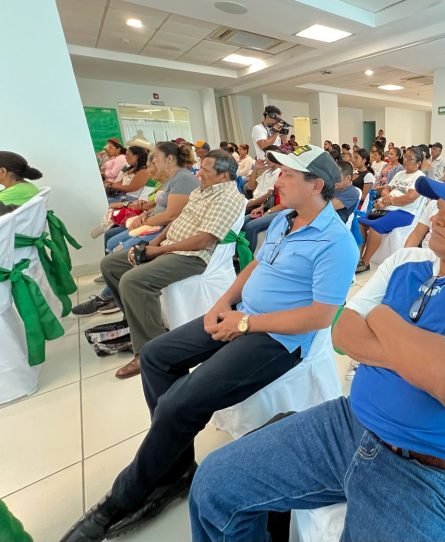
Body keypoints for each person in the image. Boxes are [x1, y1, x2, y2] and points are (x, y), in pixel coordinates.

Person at [188, 163, 445, 542]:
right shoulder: (406, 261)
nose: (437, 219)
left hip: (427, 470)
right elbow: (342, 333)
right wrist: (424, 363)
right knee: (214, 484)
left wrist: (383, 318)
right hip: (348, 424)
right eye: (439, 207)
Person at [61, 145, 357, 542]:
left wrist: (247, 323)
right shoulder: (287, 219)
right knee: (156, 356)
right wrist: (223, 303)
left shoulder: (337, 243)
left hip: (277, 338)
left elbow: (322, 315)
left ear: (316, 184)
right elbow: (255, 265)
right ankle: (176, 469)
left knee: (179, 403)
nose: (277, 179)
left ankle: (125, 496)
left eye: (287, 174)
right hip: (242, 314)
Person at [97, 149, 245, 380]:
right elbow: (178, 221)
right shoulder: (201, 191)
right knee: (111, 265)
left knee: (134, 281)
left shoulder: (228, 197)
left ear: (224, 176)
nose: (199, 174)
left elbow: (204, 240)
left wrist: (158, 250)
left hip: (193, 256)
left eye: (205, 171)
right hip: (171, 245)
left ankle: (149, 350)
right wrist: (151, 245)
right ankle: (138, 323)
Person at [72, 143, 200, 317]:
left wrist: (144, 221)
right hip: (155, 224)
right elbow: (158, 205)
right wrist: (144, 215)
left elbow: (172, 215)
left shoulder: (183, 179)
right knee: (110, 238)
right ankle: (112, 288)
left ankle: (108, 296)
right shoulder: (171, 179)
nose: (152, 161)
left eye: (156, 158)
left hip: (166, 229)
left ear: (169, 159)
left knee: (122, 248)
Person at [356, 146, 425, 274]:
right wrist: (386, 197)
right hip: (388, 208)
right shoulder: (400, 173)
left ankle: (365, 262)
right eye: (405, 157)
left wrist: (390, 201)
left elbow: (410, 197)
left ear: (419, 163)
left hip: (405, 213)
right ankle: (358, 257)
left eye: (411, 159)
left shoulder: (419, 177)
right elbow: (386, 188)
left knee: (376, 226)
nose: (406, 160)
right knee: (361, 221)